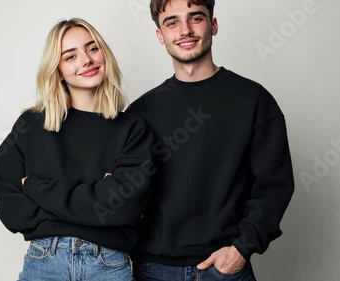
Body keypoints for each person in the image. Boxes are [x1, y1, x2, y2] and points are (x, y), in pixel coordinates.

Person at [126, 1, 295, 280]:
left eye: (196, 18)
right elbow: (125, 194)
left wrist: (242, 249)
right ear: (160, 36)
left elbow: (274, 187)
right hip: (152, 269)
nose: (185, 30)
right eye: (172, 22)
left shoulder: (253, 100)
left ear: (213, 25)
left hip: (225, 268)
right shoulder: (140, 113)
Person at [0, 18, 154, 281]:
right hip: (45, 261)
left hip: (108, 264)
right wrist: (96, 195)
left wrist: (35, 188)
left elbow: (121, 205)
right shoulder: (31, 124)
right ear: (57, 70)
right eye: (70, 56)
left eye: (93, 48)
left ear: (104, 55)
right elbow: (9, 203)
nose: (86, 60)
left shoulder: (133, 129)